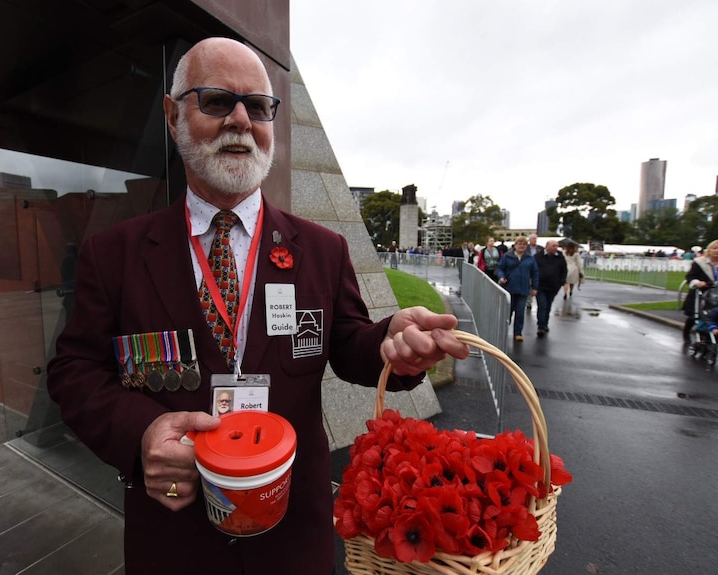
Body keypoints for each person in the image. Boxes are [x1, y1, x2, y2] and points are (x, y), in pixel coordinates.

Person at [45, 37, 469, 575]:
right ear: (174, 114)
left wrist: (393, 345)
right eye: (218, 101)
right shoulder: (115, 254)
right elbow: (74, 372)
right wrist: (142, 432)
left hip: (293, 535)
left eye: (259, 106)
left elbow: (348, 344)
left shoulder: (321, 249)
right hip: (174, 536)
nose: (241, 120)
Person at [497, 236, 539, 342]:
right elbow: (500, 268)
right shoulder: (507, 256)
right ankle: (504, 331)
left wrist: (535, 287)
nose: (521, 246)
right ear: (515, 245)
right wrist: (501, 277)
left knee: (520, 312)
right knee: (508, 312)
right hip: (509, 288)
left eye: (524, 244)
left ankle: (518, 333)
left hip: (523, 289)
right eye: (519, 244)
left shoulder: (530, 258)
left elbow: (535, 273)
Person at [682, 239, 718, 342]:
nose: (717, 251)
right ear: (709, 250)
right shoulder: (699, 262)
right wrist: (697, 282)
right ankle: (687, 332)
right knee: (694, 315)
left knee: (715, 315)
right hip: (700, 292)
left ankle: (711, 335)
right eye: (715, 248)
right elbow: (690, 277)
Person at [533, 240, 567, 337]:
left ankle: (545, 323)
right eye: (553, 246)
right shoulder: (538, 256)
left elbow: (564, 270)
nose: (555, 248)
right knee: (542, 305)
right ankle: (541, 326)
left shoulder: (560, 257)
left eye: (557, 246)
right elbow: (534, 270)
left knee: (548, 305)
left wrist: (561, 281)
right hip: (540, 286)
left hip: (553, 286)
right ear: (547, 246)